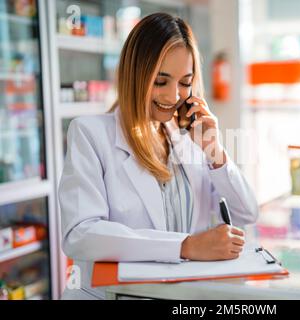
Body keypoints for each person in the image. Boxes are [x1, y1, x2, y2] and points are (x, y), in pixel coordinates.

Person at [58, 12, 258, 300]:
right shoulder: (90, 134)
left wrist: (216, 152)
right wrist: (185, 246)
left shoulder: (189, 139)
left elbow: (247, 213)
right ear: (135, 74)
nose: (173, 95)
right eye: (160, 81)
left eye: (185, 82)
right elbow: (80, 234)